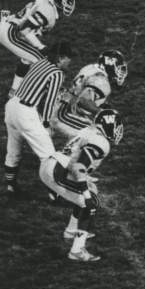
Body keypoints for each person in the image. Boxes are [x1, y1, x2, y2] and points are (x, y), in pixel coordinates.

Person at [39, 107, 123, 262]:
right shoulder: (101, 142)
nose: (118, 129)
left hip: (53, 163)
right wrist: (85, 194)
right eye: (116, 125)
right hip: (58, 170)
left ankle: (71, 231)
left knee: (91, 189)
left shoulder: (88, 131)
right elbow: (79, 167)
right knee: (90, 201)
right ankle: (77, 250)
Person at [2, 41, 73, 196]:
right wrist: (47, 123)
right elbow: (49, 101)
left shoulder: (40, 62)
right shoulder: (57, 73)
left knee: (13, 150)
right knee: (49, 156)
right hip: (25, 112)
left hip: (12, 106)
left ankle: (10, 186)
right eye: (68, 58)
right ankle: (54, 194)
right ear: (60, 58)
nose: (70, 62)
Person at [0, 0, 76, 95]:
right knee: (43, 61)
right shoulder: (48, 10)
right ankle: (42, 93)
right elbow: (25, 30)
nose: (70, 3)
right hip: (10, 33)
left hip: (7, 28)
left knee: (27, 58)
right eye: (67, 0)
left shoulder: (46, 2)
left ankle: (14, 91)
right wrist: (42, 47)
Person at [53, 50, 128, 141]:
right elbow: (83, 101)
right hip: (63, 113)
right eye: (119, 68)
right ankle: (67, 154)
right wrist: (101, 112)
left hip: (61, 103)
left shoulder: (90, 68)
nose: (121, 72)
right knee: (97, 138)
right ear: (110, 64)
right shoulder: (102, 81)